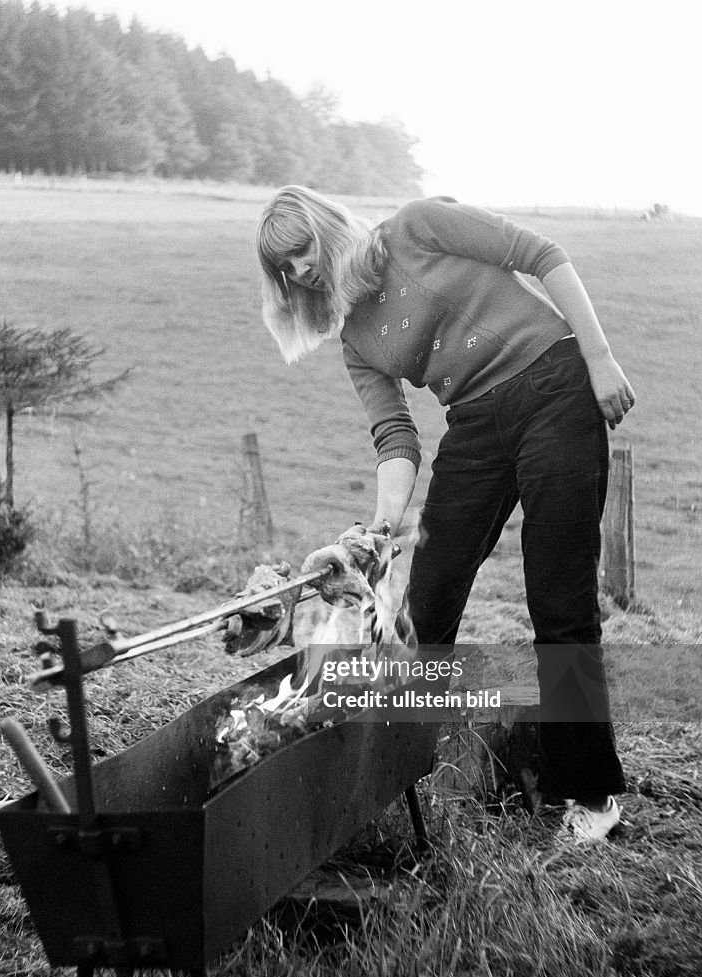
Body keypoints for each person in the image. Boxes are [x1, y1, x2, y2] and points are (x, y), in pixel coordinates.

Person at [255, 185, 635, 843]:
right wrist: (381, 526)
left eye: (297, 252)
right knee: (419, 609)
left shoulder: (419, 226)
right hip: (476, 424)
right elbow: (395, 437)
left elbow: (542, 254)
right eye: (280, 269)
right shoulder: (355, 338)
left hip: (554, 386)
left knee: (558, 603)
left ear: (326, 228)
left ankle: (590, 793)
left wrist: (597, 360)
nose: (295, 272)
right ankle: (388, 776)